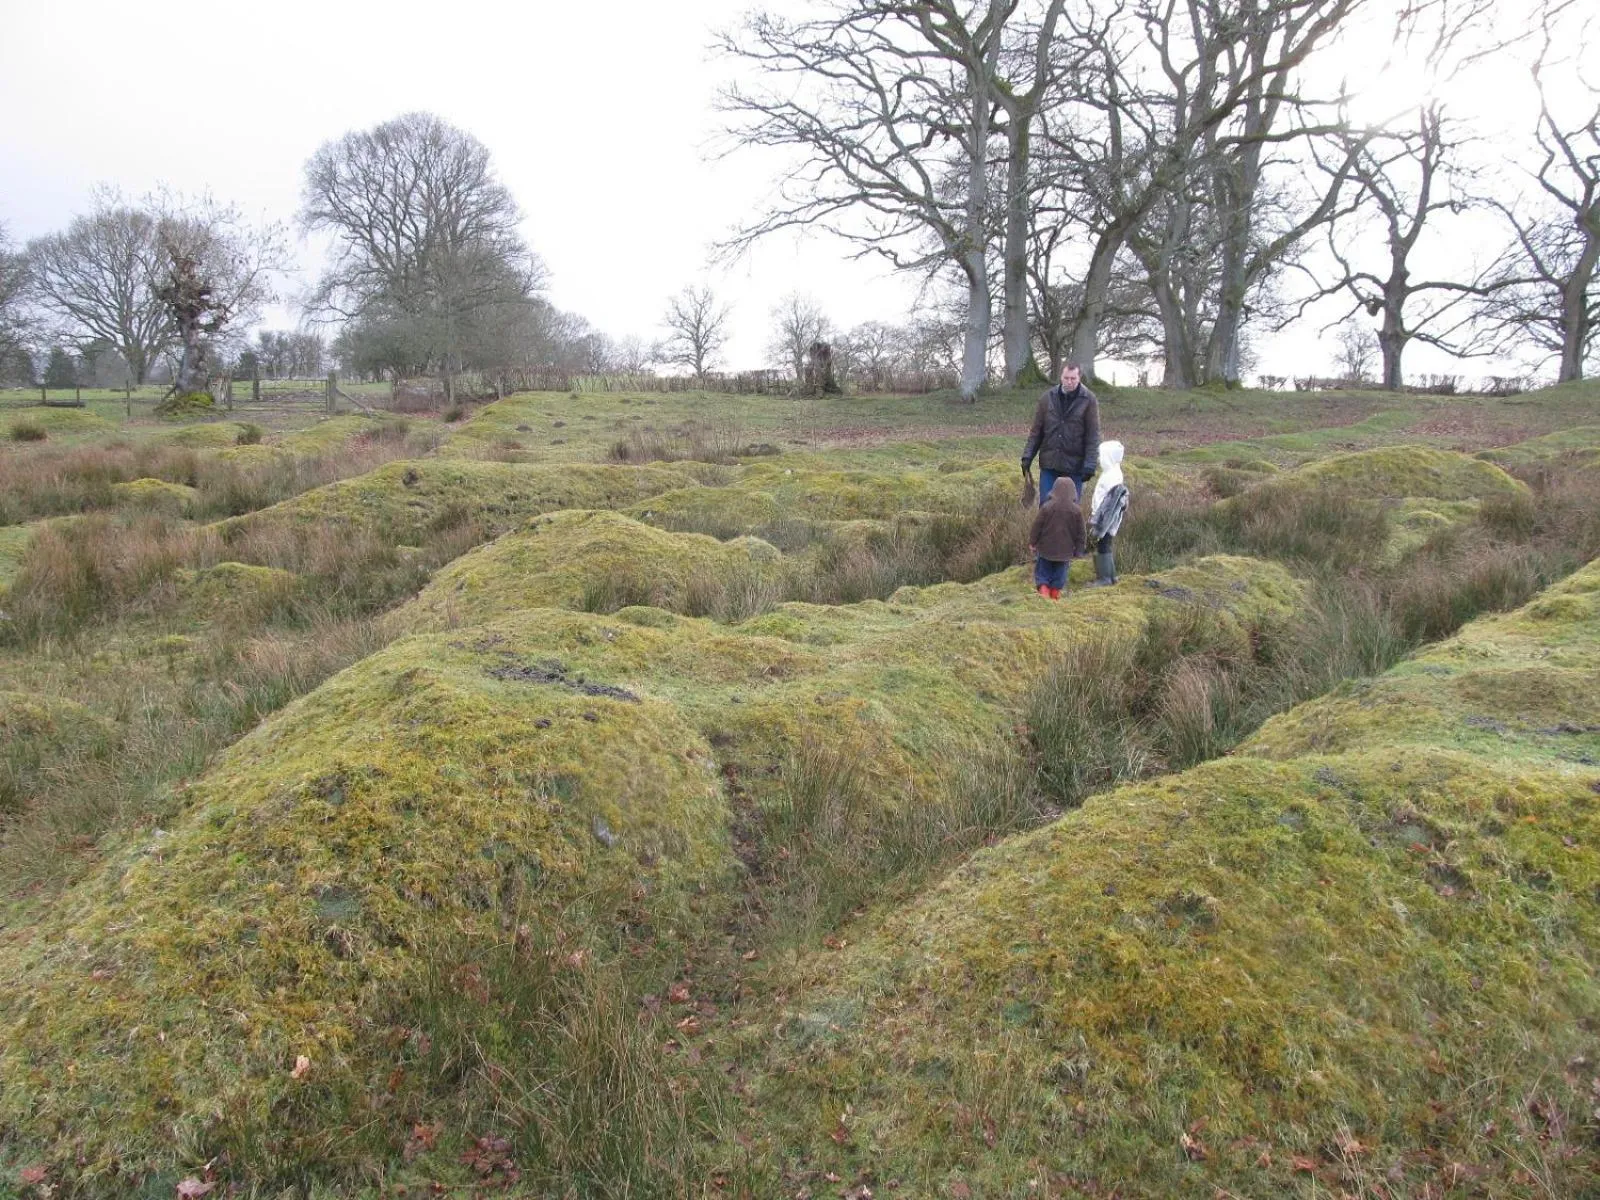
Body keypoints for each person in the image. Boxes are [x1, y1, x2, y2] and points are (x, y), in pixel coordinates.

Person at [1021, 362, 1101, 504]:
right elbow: (1036, 432)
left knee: (1070, 510)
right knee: (1046, 507)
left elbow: (1092, 435)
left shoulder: (1089, 400)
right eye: (1066, 378)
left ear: (1079, 378)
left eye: (1073, 378)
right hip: (1050, 463)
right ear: (1060, 377)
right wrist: (1027, 456)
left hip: (1074, 466)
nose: (1069, 382)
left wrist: (1090, 465)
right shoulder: (1047, 398)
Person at [1029, 479, 1087, 600]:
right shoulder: (1077, 511)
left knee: (1043, 574)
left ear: (1053, 490)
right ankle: (1055, 595)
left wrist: (1033, 542)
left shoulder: (1046, 507)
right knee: (1060, 576)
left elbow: (1037, 526)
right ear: (1073, 492)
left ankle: (1044, 593)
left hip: (1045, 549)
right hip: (1065, 552)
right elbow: (1081, 534)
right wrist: (1079, 551)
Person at [1086, 438, 1128, 587]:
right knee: (1106, 545)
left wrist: (1100, 523)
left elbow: (1109, 504)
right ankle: (1111, 576)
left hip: (1106, 519)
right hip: (1108, 519)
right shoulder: (1111, 473)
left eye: (1101, 455)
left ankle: (1104, 578)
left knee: (1103, 545)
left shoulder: (1112, 477)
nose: (1099, 458)